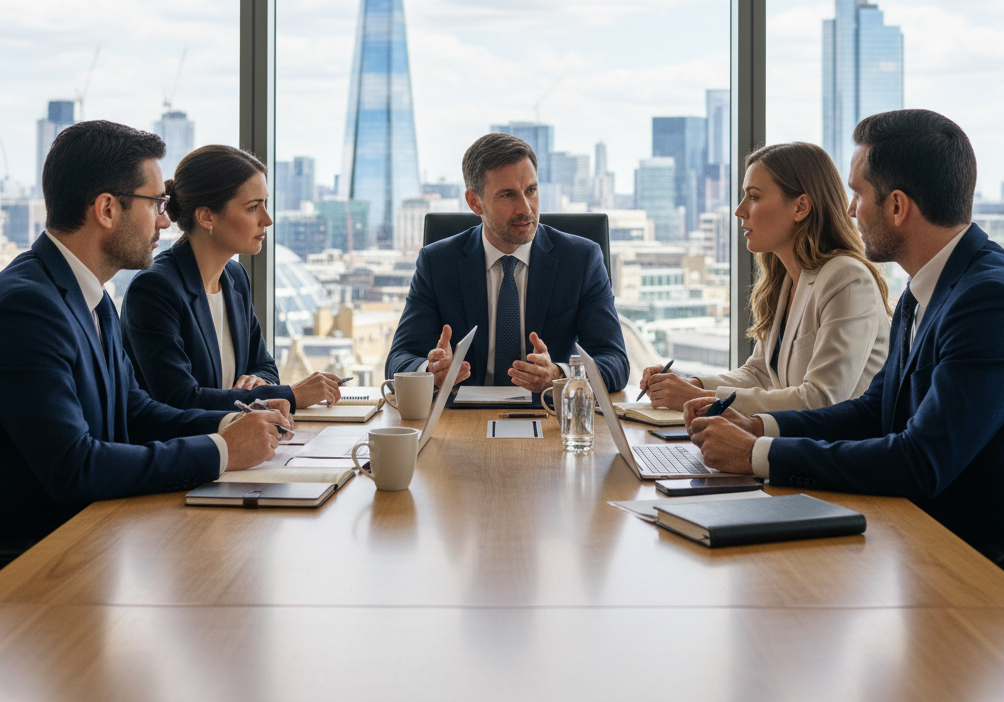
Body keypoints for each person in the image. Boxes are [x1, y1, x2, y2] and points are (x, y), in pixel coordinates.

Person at [686, 109, 1004, 554]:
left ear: (897, 206)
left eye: (857, 193)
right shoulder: (922, 289)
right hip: (915, 535)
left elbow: (921, 460)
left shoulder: (989, 300)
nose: (849, 209)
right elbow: (872, 413)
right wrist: (757, 425)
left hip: (978, 558)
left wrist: (757, 454)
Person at [0, 121, 291, 554]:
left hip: (100, 538)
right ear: (106, 209)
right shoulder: (27, 306)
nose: (165, 219)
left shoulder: (92, 295)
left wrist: (229, 423)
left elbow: (134, 411)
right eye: (156, 202)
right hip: (42, 561)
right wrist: (222, 450)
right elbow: (75, 467)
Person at [640, 142, 890, 414]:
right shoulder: (784, 280)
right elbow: (758, 373)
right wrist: (690, 384)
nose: (740, 210)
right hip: (794, 438)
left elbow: (822, 399)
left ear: (800, 207)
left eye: (754, 197)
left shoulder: (847, 278)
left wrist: (702, 397)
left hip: (841, 441)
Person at [386, 133, 629, 393]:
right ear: (474, 202)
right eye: (507, 195)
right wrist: (429, 372)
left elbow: (615, 361)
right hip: (465, 414)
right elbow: (399, 359)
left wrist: (560, 375)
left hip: (548, 412)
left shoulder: (581, 259)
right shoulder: (437, 263)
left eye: (531, 191)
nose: (526, 209)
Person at [121, 144, 344, 412]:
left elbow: (264, 365)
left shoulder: (235, 277)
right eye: (253, 207)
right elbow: (181, 400)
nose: (267, 219)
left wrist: (259, 381)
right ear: (207, 216)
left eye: (265, 204)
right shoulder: (155, 289)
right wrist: (292, 395)